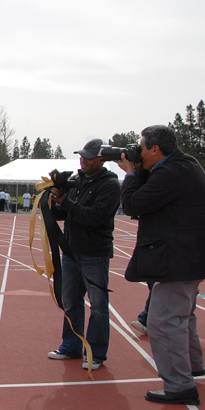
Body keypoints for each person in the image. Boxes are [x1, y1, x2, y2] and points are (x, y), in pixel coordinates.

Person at [118, 125, 205, 406]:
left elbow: (133, 204)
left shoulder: (170, 173)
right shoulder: (186, 163)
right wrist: (140, 169)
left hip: (176, 259)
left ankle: (180, 386)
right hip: (189, 257)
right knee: (183, 317)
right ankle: (192, 367)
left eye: (141, 148)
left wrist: (131, 173)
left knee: (163, 323)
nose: (138, 153)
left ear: (155, 150)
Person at [47, 138, 121, 370]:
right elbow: (65, 214)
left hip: (94, 253)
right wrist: (52, 202)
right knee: (70, 301)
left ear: (102, 159)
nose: (84, 160)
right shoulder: (77, 180)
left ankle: (96, 353)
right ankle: (71, 347)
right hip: (71, 252)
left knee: (98, 305)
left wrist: (66, 203)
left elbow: (94, 217)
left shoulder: (110, 184)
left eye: (89, 157)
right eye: (82, 155)